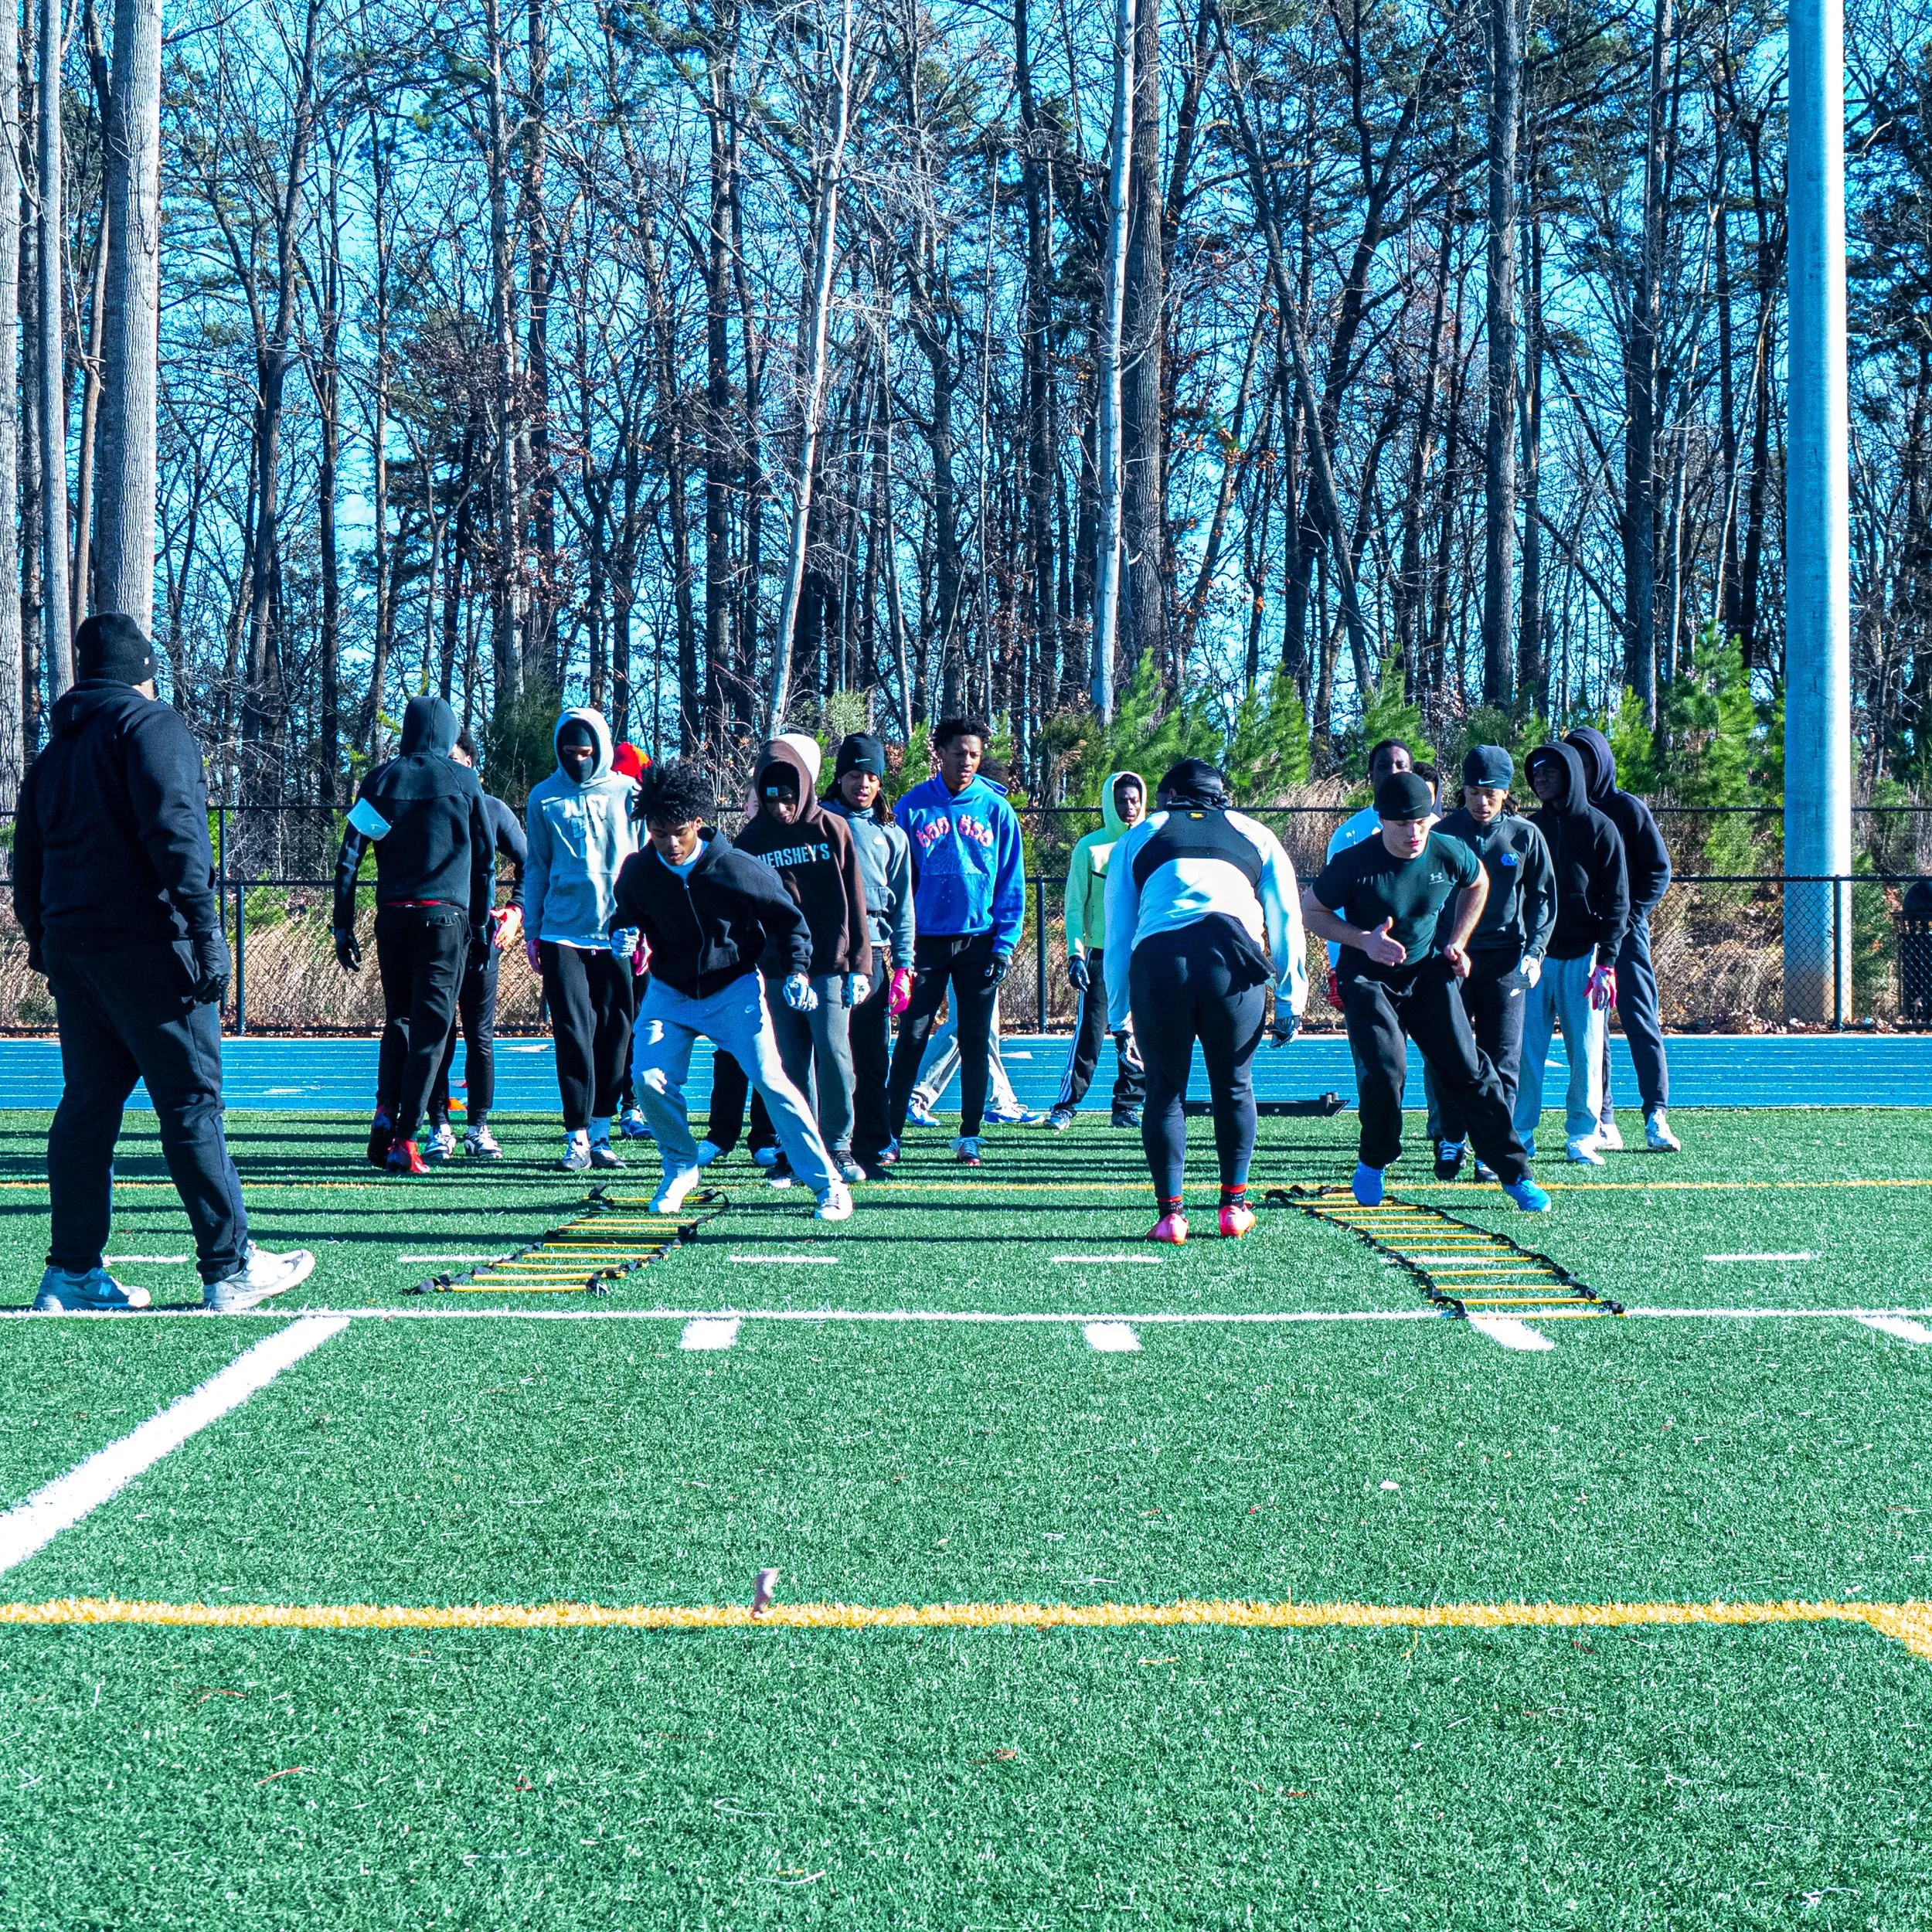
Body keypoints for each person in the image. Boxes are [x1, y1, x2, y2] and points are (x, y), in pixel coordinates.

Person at [14, 613, 314, 1311]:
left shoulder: (55, 752)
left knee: (88, 1105)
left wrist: (43, 938)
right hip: (150, 945)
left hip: (77, 950)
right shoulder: (150, 726)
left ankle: (72, 1272)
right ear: (144, 669)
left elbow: (24, 858)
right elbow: (177, 831)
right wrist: (207, 933)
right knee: (188, 1101)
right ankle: (229, 1266)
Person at [612, 760, 852, 1221]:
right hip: (670, 990)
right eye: (658, 831)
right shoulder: (639, 871)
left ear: (698, 823)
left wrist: (798, 972)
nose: (669, 843)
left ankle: (829, 1184)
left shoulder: (735, 867)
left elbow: (790, 922)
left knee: (772, 1081)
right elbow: (624, 915)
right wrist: (620, 932)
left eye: (678, 831)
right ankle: (681, 1166)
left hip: (734, 989)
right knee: (647, 1078)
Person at [1303, 769, 1549, 1212]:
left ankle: (1513, 1171)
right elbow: (1312, 911)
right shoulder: (1353, 863)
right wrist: (1362, 940)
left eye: (1421, 820)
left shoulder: (1447, 849)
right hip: (1369, 976)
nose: (1414, 832)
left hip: (1427, 973)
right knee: (1385, 1072)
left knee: (1469, 1069)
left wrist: (1458, 939)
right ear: (1382, 821)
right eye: (1402, 824)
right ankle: (1374, 1161)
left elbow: (1479, 884)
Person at [1104, 760, 1306, 1243]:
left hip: (1161, 962)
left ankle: (1171, 1215)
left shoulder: (1139, 835)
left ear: (1169, 795)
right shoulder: (1256, 833)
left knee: (1164, 1089)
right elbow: (1286, 920)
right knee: (1235, 1085)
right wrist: (1290, 997)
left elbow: (1118, 934)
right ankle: (1234, 1206)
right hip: (1230, 962)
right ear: (1222, 796)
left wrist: (1118, 1014)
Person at [333, 694, 494, 1175]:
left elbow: (350, 858)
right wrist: (482, 925)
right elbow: (485, 860)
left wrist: (343, 923)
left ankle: (385, 1109)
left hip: (394, 916)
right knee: (433, 1031)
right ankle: (406, 1136)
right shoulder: (463, 780)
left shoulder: (381, 779)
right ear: (448, 733)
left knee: (398, 1018)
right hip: (446, 917)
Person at [728, 734, 874, 1186]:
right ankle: (799, 1149)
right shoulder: (749, 841)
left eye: (789, 797)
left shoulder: (833, 829)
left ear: (805, 788)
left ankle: (838, 1147)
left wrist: (861, 966)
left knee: (833, 1054)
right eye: (770, 798)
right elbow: (741, 911)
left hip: (829, 963)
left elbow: (855, 900)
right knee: (790, 1061)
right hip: (776, 968)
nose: (780, 807)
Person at [885, 716, 1026, 1166]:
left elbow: (1010, 881)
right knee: (911, 1036)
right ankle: (890, 1133)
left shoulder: (996, 810)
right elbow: (900, 883)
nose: (967, 761)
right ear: (939, 753)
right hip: (926, 942)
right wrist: (900, 944)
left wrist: (1004, 944)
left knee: (974, 1037)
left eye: (974, 753)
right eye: (959, 752)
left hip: (979, 943)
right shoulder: (911, 807)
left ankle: (969, 1134)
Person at [1426, 747, 1558, 1181]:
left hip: (1505, 961)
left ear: (1506, 793)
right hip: (1452, 958)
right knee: (1451, 1054)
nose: (1482, 802)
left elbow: (1542, 901)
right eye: (1473, 792)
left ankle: (1493, 1148)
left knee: (1503, 1057)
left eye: (1491, 793)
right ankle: (1451, 1137)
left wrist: (1535, 952)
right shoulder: (1442, 835)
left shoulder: (1524, 836)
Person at [524, 709, 641, 1172]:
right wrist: (534, 930)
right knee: (574, 1031)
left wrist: (645, 927)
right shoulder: (543, 797)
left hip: (618, 932)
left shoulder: (628, 793)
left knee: (617, 1030)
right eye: (569, 752)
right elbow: (535, 868)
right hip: (561, 933)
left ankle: (600, 1128)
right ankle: (575, 1136)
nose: (577, 760)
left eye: (587, 752)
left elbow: (643, 863)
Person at [1513, 742, 1630, 1165]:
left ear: (1571, 774)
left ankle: (1582, 1134)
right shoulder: (1527, 830)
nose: (1540, 778)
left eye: (1549, 770)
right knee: (1525, 1050)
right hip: (1534, 957)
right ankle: (1521, 1132)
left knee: (1585, 1052)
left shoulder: (1601, 828)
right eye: (1536, 772)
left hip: (1585, 956)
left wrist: (1608, 962)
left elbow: (1619, 901)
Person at [1566, 726, 1681, 1153]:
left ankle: (1657, 1115)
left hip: (1627, 933)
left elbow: (1658, 869)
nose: (1581, 769)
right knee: (1595, 1027)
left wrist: (1629, 917)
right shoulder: (1564, 815)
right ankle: (1605, 1118)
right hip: (1583, 938)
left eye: (1587, 759)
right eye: (1573, 760)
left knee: (1639, 1017)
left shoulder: (1628, 809)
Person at [423, 728, 527, 1162]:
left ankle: (478, 1127)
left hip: (481, 940)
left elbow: (529, 863)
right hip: (434, 940)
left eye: (455, 759)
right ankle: (438, 1127)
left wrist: (516, 911)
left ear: (470, 764)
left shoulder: (493, 809)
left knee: (479, 1037)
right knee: (436, 1035)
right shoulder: (423, 807)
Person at [821, 733, 915, 1175]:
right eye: (855, 774)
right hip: (829, 955)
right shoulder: (818, 824)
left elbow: (904, 905)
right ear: (840, 777)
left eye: (872, 776)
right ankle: (818, 1143)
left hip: (874, 956)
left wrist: (904, 965)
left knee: (872, 1055)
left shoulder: (892, 835)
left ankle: (873, 1144)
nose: (863, 784)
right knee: (829, 1054)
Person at [1047, 770, 1149, 1131]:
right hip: (1101, 956)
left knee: (1136, 1033)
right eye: (1121, 800)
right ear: (1110, 802)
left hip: (1143, 955)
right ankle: (1066, 1105)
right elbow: (1074, 906)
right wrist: (1076, 954)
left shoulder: (1152, 843)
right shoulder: (1089, 848)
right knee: (1090, 1033)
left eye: (1135, 800)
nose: (1129, 807)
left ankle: (1127, 1105)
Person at [1321, 739, 1417, 1009]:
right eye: (1384, 766)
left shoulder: (1433, 830)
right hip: (1365, 968)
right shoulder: (1349, 834)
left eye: (1401, 765)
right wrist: (1337, 964)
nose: (1394, 772)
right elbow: (1333, 908)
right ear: (1371, 775)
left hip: (1422, 966)